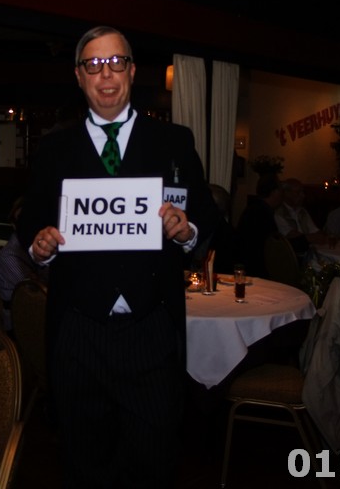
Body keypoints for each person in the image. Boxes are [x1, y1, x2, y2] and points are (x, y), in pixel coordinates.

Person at [17, 25, 219, 488]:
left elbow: (206, 215)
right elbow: (30, 221)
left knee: (154, 462)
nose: (105, 75)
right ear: (79, 76)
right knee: (84, 463)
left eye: (115, 63)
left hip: (151, 329)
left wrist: (187, 230)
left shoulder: (174, 141)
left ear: (132, 71)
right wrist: (38, 245)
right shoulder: (54, 148)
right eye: (93, 65)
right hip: (78, 331)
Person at [0, 198, 48, 331]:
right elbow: (35, 292)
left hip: (37, 314)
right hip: (21, 325)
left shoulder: (35, 248)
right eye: (22, 221)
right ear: (14, 224)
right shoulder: (9, 257)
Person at [234, 172, 284, 278]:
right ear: (274, 192)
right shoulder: (262, 213)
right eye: (281, 190)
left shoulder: (255, 208)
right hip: (255, 271)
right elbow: (270, 247)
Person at [275, 178, 325, 256]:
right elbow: (290, 236)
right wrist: (311, 238)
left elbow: (314, 230)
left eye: (303, 192)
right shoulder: (278, 213)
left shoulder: (302, 212)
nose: (303, 196)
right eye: (298, 192)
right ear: (286, 193)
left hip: (308, 252)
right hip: (290, 255)